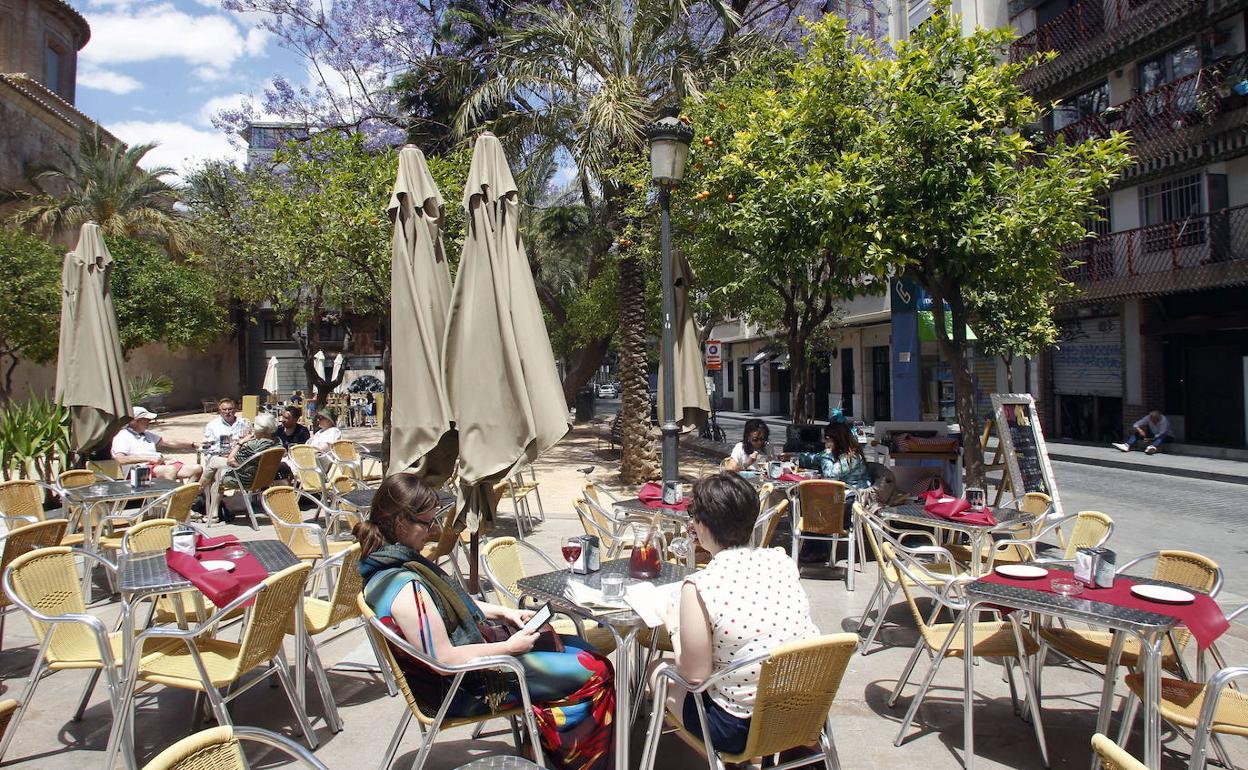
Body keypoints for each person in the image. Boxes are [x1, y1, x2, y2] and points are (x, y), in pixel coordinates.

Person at [358, 474, 616, 770]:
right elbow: (444, 657)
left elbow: (447, 606)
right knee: (595, 670)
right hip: (465, 687)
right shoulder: (405, 588)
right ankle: (570, 761)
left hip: (468, 670)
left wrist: (504, 613)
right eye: (428, 523)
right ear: (401, 524)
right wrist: (509, 647)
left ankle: (545, 749)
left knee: (578, 645)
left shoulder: (387, 564)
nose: (434, 531)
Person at [655, 472, 819, 756]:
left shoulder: (700, 586)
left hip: (741, 727)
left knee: (657, 672)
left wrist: (673, 627)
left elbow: (694, 675)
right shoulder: (781, 561)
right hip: (801, 711)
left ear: (702, 526)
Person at [200, 413, 282, 524]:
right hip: (264, 478)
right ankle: (200, 491)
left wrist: (240, 443)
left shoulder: (252, 446)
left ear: (259, 429)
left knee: (214, 467)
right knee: (215, 466)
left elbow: (231, 461)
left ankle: (200, 493)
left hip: (245, 479)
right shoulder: (277, 442)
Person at [110, 406, 203, 482]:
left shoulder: (146, 434)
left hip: (156, 467)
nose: (149, 422)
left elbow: (169, 441)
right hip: (138, 471)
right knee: (170, 470)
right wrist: (148, 458)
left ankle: (186, 499)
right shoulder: (122, 436)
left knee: (196, 469)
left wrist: (192, 444)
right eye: (146, 419)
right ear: (135, 421)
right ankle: (168, 502)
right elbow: (120, 459)